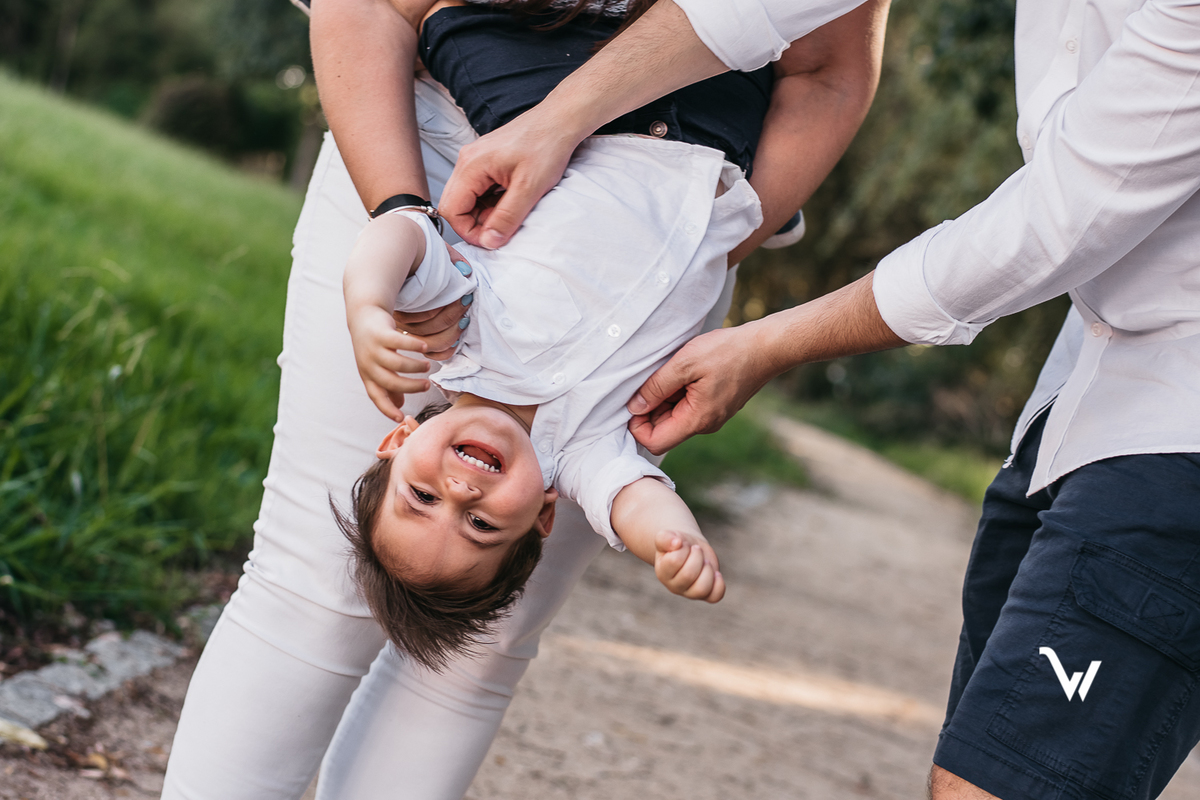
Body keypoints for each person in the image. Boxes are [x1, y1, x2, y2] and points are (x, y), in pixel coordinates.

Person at [441, 1, 1200, 799]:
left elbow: (1052, 221)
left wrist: (768, 344)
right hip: (1080, 397)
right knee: (983, 764)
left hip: (1175, 420)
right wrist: (561, 118)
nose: (460, 489)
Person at [161, 1, 888, 798]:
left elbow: (829, 66)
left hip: (678, 207)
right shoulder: (576, 446)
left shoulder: (458, 326)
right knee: (313, 593)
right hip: (442, 142)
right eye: (476, 516)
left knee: (479, 648)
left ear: (398, 439)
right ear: (538, 507)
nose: (464, 489)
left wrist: (713, 236)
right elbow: (632, 497)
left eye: (427, 498)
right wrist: (673, 541)